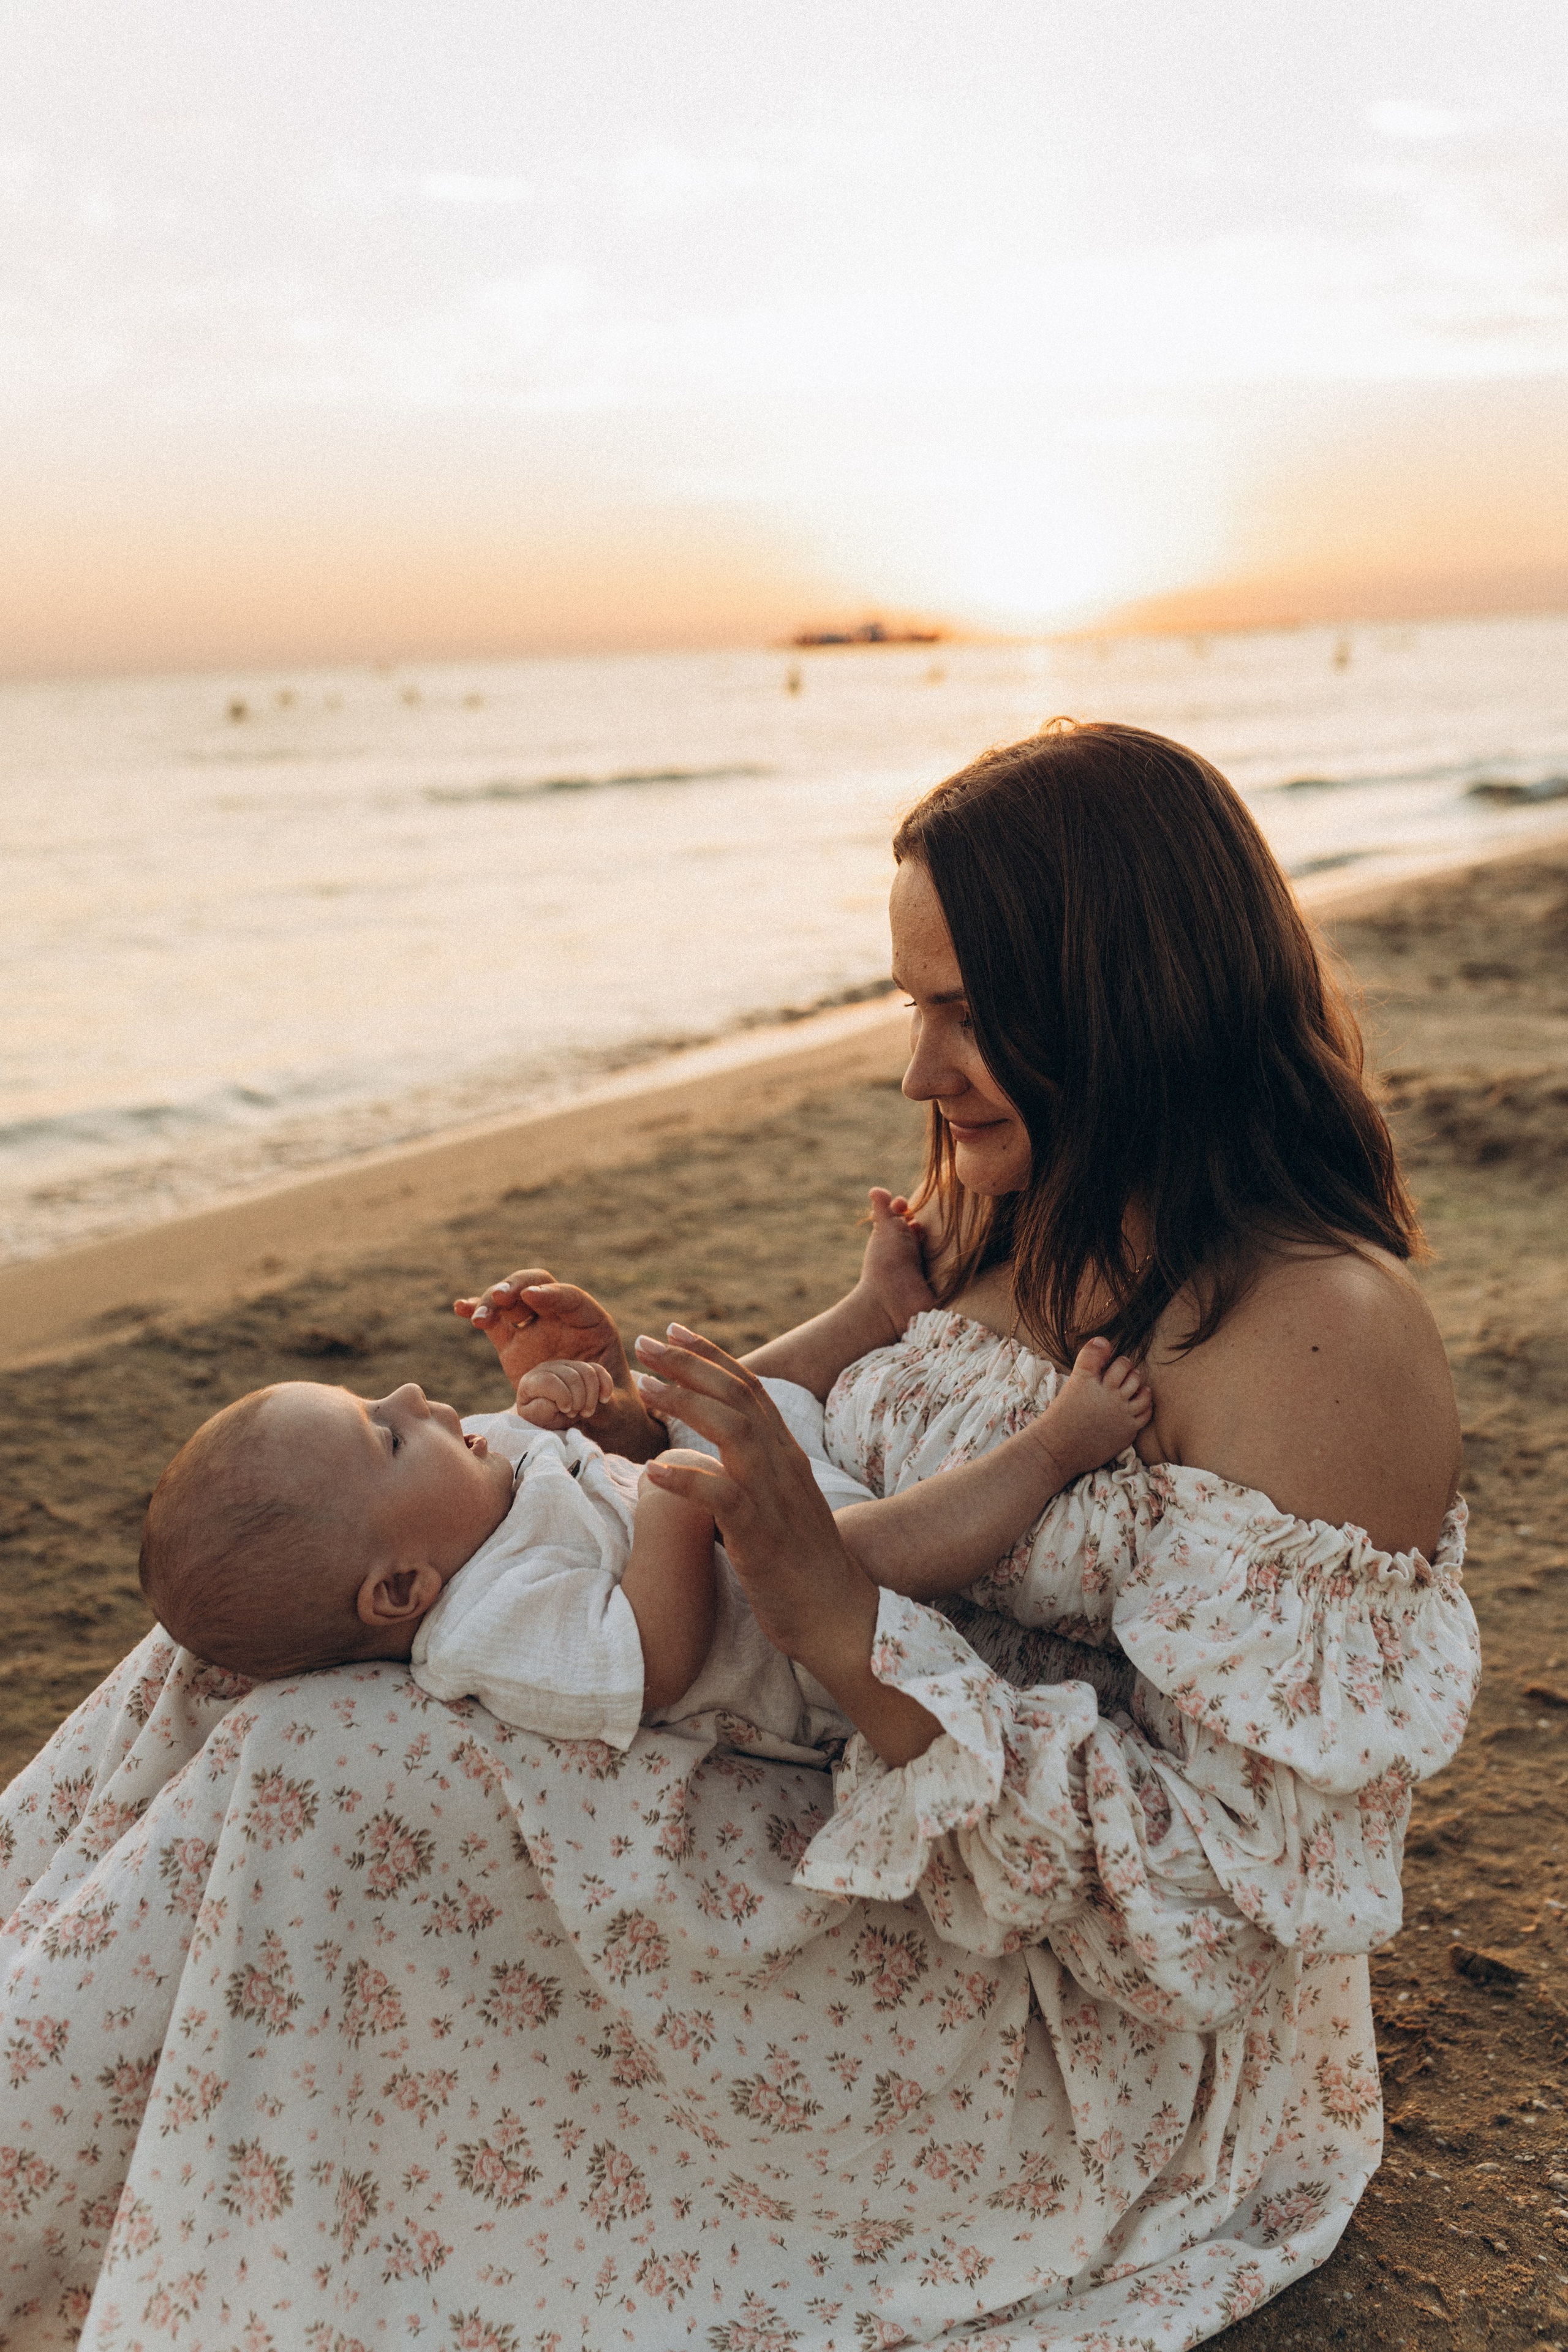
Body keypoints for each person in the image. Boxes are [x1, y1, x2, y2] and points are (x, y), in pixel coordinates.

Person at [0, 722, 1479, 2352]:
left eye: (974, 1014)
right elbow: (823, 1456)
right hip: (812, 1773)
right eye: (917, 1004)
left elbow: (1231, 1898)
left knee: (329, 1787)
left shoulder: (1322, 1335)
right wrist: (640, 1419)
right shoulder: (1015, 1192)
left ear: (1140, 994)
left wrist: (847, 1629)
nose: (920, 1071)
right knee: (230, 1672)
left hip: (1040, 1994)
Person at [134, 1202, 1152, 1754]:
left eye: (377, 1399)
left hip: (738, 1527)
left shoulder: (466, 1504)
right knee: (861, 1541)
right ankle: (1062, 1446)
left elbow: (596, 1456)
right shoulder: (485, 1626)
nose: (410, 1394)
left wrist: (583, 1397)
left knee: (717, 1388)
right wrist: (670, 1499)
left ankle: (871, 1311)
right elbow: (652, 1661)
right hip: (801, 1637)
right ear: (400, 1591)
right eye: (386, 1436)